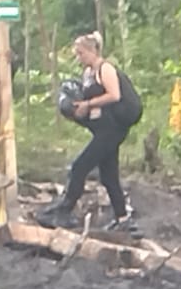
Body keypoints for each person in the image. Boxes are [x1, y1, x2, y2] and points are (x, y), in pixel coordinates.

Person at [36, 32, 141, 234]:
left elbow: (114, 95)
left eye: (81, 53)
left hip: (112, 130)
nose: (79, 57)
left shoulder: (105, 69)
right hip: (101, 129)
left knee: (79, 167)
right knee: (109, 176)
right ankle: (123, 219)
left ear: (93, 51)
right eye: (77, 54)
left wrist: (89, 104)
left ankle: (64, 211)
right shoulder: (87, 73)